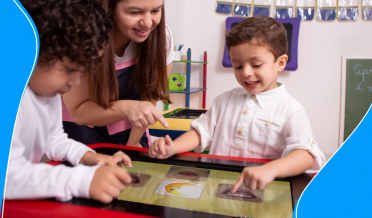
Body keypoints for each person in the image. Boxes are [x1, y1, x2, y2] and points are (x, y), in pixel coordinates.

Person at [148, 16, 326, 192]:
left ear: (280, 63)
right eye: (238, 66)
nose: (246, 73)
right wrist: (173, 147)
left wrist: (271, 170)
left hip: (263, 195)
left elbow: (306, 155)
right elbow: (201, 132)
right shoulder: (224, 100)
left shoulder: (291, 109)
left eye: (256, 65)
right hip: (216, 189)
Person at [6, 0, 132, 203]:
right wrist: (80, 179)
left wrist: (89, 157)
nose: (75, 82)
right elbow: (7, 174)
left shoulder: (48, 91)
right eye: (70, 69)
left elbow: (53, 139)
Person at [62, 0, 173, 148]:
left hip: (128, 127)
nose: (147, 23)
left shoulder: (161, 37)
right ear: (109, 8)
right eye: (135, 12)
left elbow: (150, 96)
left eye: (155, 11)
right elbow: (79, 111)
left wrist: (133, 144)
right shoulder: (82, 38)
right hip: (77, 128)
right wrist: (126, 108)